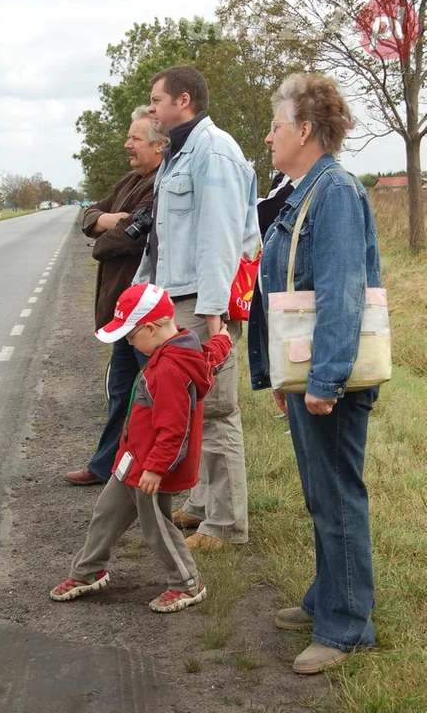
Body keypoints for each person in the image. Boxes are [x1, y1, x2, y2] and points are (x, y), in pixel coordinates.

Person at [248, 73, 382, 674]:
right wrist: (286, 379)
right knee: (318, 493)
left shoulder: (335, 194)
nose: (269, 136)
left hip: (329, 377)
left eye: (276, 125)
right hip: (306, 374)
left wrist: (324, 380)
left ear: (304, 129)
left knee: (336, 494)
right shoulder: (301, 191)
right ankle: (328, 595)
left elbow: (340, 294)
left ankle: (348, 625)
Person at [134, 65, 259, 550]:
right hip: (178, 299)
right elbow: (164, 241)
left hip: (203, 306)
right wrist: (147, 296)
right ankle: (205, 504)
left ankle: (227, 525)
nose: (151, 109)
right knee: (193, 406)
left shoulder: (215, 152)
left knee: (219, 411)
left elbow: (219, 242)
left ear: (183, 101)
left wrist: (213, 319)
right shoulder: (178, 153)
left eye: (156, 101)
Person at [50, 283, 232, 612]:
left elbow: (174, 428)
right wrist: (222, 338)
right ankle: (87, 571)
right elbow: (209, 353)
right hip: (132, 461)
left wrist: (156, 468)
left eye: (131, 336)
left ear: (151, 327)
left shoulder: (169, 368)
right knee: (106, 514)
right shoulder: (176, 350)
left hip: (151, 468)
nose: (129, 342)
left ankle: (187, 583)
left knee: (157, 527)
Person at [64, 107, 168, 486]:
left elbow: (129, 237)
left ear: (159, 146)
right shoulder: (129, 179)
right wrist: (106, 220)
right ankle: (107, 465)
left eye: (135, 138)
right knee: (120, 390)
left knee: (154, 392)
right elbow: (89, 216)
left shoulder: (162, 182)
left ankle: (156, 469)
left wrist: (105, 233)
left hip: (146, 313)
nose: (127, 144)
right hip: (124, 315)